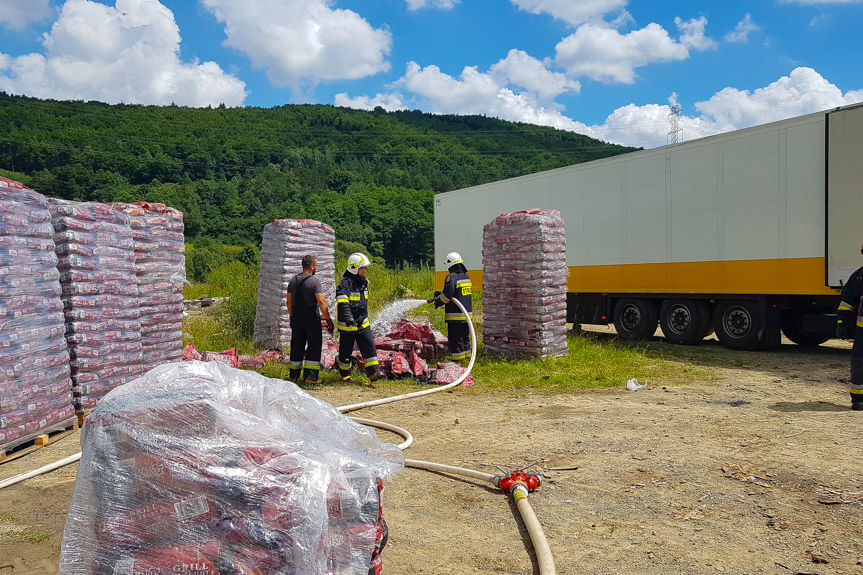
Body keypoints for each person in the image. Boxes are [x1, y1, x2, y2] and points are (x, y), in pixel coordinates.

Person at [286, 254, 334, 384]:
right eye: (316, 265)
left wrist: (292, 316)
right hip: (311, 318)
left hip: (296, 318)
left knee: (296, 346)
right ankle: (310, 377)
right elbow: (321, 301)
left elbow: (288, 302)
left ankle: (293, 376)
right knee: (313, 346)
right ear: (312, 266)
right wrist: (328, 319)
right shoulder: (314, 281)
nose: (316, 268)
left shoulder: (293, 281)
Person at [335, 252, 381, 382]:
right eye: (362, 268)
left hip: (362, 323)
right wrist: (348, 317)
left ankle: (374, 373)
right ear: (354, 268)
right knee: (345, 352)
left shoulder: (363, 283)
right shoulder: (345, 284)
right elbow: (343, 302)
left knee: (369, 346)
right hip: (348, 325)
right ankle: (345, 375)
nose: (364, 271)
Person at [428, 251, 473, 365]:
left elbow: (447, 297)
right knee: (465, 339)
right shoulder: (466, 276)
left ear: (450, 264)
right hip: (468, 316)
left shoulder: (451, 277)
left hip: (456, 316)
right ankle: (467, 360)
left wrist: (438, 301)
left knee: (456, 340)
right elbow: (456, 294)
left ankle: (457, 363)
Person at [836, 244, 863, 411]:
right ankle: (859, 400)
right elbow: (847, 303)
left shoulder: (859, 275)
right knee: (860, 362)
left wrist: (843, 324)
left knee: (860, 362)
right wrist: (843, 323)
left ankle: (859, 400)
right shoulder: (859, 276)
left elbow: (847, 302)